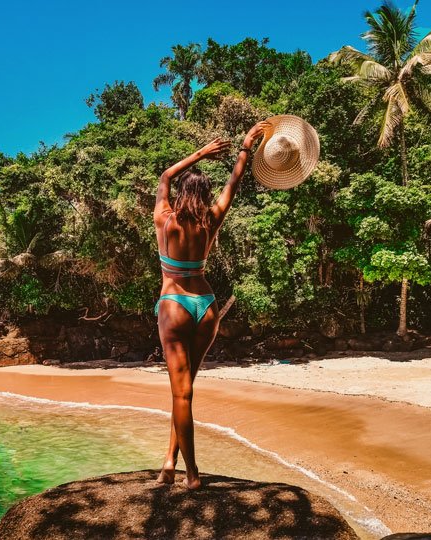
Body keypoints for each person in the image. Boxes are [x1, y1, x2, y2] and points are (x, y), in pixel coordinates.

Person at [154, 121, 269, 489]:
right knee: (186, 390)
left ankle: (191, 475)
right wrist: (246, 147)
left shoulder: (165, 219)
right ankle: (169, 462)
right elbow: (233, 183)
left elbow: (164, 176)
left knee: (181, 392)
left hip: (174, 303)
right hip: (206, 306)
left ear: (183, 192)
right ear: (204, 195)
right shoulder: (211, 219)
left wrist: (201, 153)